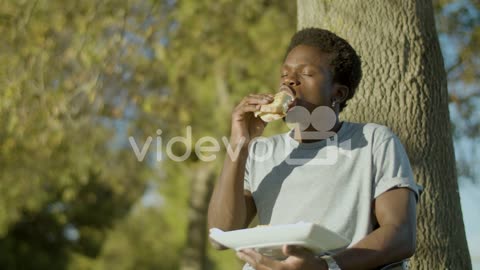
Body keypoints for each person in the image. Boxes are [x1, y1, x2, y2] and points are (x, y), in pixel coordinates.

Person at [207, 27, 421, 270]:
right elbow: (221, 235)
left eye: (305, 74)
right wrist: (239, 144)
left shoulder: (373, 141)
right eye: (284, 75)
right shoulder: (260, 152)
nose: (289, 81)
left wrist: (325, 267)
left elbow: (401, 235)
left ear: (337, 93)